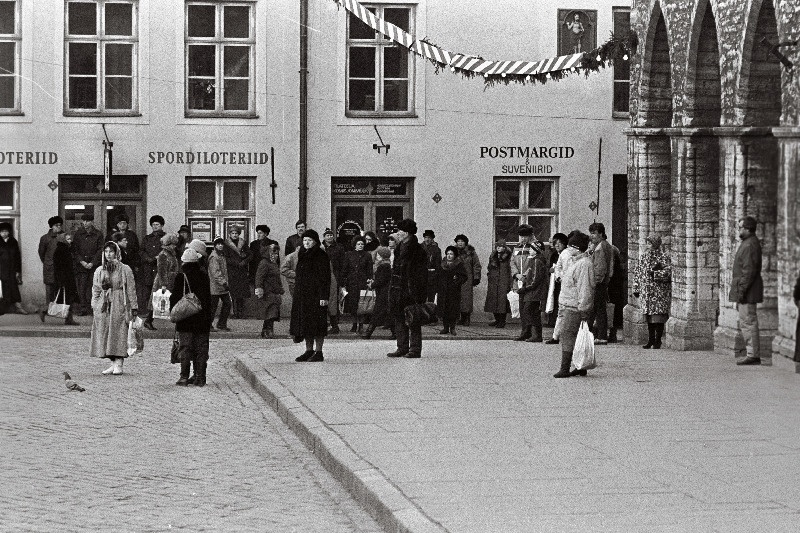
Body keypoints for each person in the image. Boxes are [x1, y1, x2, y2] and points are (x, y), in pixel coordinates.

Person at [90, 241, 137, 376]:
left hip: (119, 302)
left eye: (111, 251)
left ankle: (119, 362)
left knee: (119, 331)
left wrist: (134, 306)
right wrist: (94, 304)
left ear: (116, 253)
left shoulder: (124, 269)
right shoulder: (100, 270)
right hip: (104, 304)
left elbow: (131, 289)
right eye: (106, 252)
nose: (109, 254)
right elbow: (96, 289)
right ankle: (112, 362)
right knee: (105, 332)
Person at [553, 232, 594, 378]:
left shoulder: (583, 264)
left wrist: (583, 309)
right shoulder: (577, 262)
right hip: (569, 304)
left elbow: (585, 288)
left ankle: (565, 368)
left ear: (576, 248)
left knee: (568, 335)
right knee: (575, 337)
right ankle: (580, 366)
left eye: (570, 246)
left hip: (574, 306)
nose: (567, 249)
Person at [170, 248, 213, 386]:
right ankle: (200, 376)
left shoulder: (181, 277)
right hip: (202, 318)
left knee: (185, 347)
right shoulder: (204, 275)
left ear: (183, 262)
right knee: (201, 348)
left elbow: (175, 298)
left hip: (186, 319)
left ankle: (184, 376)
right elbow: (208, 298)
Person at [388, 219, 427, 358]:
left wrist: (420, 293)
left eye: (400, 231)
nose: (397, 233)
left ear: (407, 233)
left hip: (411, 290)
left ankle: (415, 349)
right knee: (399, 319)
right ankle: (402, 347)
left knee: (413, 319)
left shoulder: (418, 250)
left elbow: (422, 274)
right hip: (398, 288)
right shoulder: (399, 248)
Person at [290, 229, 330, 362]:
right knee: (306, 324)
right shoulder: (302, 253)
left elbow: (325, 278)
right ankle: (309, 350)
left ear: (315, 242)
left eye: (310, 240)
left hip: (316, 296)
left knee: (317, 324)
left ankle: (319, 352)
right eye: (305, 240)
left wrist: (324, 296)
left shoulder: (320, 255)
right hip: (303, 296)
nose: (306, 242)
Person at [730, 216, 764, 365]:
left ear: (748, 229)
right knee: (747, 321)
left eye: (741, 227)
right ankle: (752, 353)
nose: (739, 230)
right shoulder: (748, 243)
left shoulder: (749, 245)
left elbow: (748, 272)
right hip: (747, 290)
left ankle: (753, 354)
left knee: (748, 321)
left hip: (748, 291)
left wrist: (742, 291)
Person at [632, 234, 671, 349]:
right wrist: (636, 287)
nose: (648, 246)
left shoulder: (663, 257)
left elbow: (668, 272)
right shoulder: (643, 257)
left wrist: (655, 274)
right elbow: (637, 272)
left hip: (659, 292)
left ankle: (658, 340)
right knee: (649, 318)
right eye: (647, 243)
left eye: (650, 243)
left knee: (658, 317)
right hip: (647, 292)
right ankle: (651, 339)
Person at [511, 225, 546, 342]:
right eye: (521, 236)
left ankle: (533, 333)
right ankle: (525, 331)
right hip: (519, 280)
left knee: (530, 309)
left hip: (528, 281)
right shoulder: (517, 248)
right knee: (522, 309)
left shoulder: (534, 247)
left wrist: (525, 276)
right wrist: (516, 274)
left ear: (530, 236)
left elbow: (532, 266)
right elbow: (512, 263)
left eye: (525, 236)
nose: (523, 239)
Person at [39, 232, 79, 325]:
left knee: (68, 299)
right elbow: (58, 267)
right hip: (64, 280)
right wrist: (61, 280)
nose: (70, 241)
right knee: (62, 300)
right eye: (68, 239)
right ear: (63, 240)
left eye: (70, 239)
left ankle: (69, 319)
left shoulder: (66, 248)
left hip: (68, 278)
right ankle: (44, 311)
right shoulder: (61, 250)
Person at [72, 213, 104, 316]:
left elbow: (100, 250)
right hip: (81, 266)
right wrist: (82, 261)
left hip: (94, 266)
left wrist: (92, 262)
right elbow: (75, 250)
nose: (85, 223)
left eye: (88, 221)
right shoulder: (78, 234)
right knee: (81, 287)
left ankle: (93, 308)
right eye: (84, 221)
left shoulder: (98, 234)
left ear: (92, 222)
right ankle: (83, 308)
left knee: (94, 286)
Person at [340, 235, 373, 333]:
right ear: (354, 245)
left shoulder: (367, 255)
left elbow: (369, 269)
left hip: (363, 282)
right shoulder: (349, 254)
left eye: (362, 244)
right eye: (358, 244)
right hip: (352, 282)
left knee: (362, 303)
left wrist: (369, 280)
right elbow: (345, 269)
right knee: (353, 304)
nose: (360, 246)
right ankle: (354, 324)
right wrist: (343, 282)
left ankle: (361, 325)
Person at [587, 222, 613, 345]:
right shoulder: (601, 246)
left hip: (599, 283)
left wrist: (595, 281)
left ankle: (601, 335)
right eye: (591, 233)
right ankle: (596, 334)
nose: (591, 236)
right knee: (598, 309)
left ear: (601, 234)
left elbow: (600, 267)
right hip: (601, 282)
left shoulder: (601, 247)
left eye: (594, 233)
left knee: (598, 309)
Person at [546, 233, 573, 344]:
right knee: (560, 310)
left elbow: (566, 270)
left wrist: (559, 274)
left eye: (559, 243)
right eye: (555, 243)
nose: (557, 245)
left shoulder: (566, 254)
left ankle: (559, 336)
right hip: (558, 284)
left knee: (564, 311)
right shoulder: (557, 255)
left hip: (566, 286)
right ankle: (556, 335)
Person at [361, 246, 393, 339]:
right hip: (385, 292)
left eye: (378, 254)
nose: (377, 256)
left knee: (377, 313)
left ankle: (368, 332)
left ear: (382, 256)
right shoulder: (386, 265)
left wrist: (372, 284)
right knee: (388, 314)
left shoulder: (383, 266)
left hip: (383, 293)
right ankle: (395, 332)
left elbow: (381, 280)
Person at [139, 215, 165, 330]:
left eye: (157, 225)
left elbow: (166, 251)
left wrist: (157, 258)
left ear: (161, 225)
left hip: (159, 269)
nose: (155, 227)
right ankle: (148, 318)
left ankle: (150, 319)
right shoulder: (147, 238)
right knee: (148, 294)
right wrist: (148, 258)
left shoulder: (165, 237)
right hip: (148, 269)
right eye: (153, 225)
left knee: (158, 295)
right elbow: (141, 251)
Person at [255, 242, 284, 338]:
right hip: (267, 291)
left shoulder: (273, 263)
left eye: (277, 253)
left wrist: (280, 288)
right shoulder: (264, 263)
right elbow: (259, 277)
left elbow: (277, 277)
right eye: (274, 253)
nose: (276, 255)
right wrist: (259, 288)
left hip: (274, 291)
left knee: (272, 312)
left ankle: (266, 330)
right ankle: (268, 331)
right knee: (270, 312)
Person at [438, 245, 468, 335]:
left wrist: (457, 281)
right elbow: (437, 276)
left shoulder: (458, 264)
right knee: (444, 309)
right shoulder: (442, 264)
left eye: (451, 254)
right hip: (443, 290)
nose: (449, 256)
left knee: (453, 309)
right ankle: (445, 327)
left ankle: (452, 328)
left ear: (454, 255)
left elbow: (464, 276)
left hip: (453, 290)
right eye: (448, 254)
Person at [151, 232, 180, 324]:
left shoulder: (170, 253)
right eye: (173, 244)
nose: (174, 246)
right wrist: (163, 284)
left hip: (170, 279)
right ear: (168, 244)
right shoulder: (163, 254)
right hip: (164, 280)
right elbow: (161, 270)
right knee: (158, 299)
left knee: (161, 300)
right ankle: (149, 320)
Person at [0, 222, 27, 314]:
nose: (4, 233)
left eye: (6, 231)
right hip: (1, 270)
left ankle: (18, 308)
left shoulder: (13, 241)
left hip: (11, 269)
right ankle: (3, 309)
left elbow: (17, 257)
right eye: (2, 231)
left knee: (14, 288)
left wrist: (18, 271)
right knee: (2, 289)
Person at [223, 227, 250, 318]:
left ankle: (240, 312)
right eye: (233, 233)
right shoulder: (226, 244)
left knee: (241, 294)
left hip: (241, 271)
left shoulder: (243, 243)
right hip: (231, 271)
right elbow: (225, 258)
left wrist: (244, 261)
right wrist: (236, 262)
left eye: (236, 233)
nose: (235, 235)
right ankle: (233, 312)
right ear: (229, 234)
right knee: (233, 294)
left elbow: (250, 254)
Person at [484, 239, 512, 328]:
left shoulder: (508, 257)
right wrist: (490, 276)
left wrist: (509, 282)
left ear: (505, 247)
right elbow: (489, 267)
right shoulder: (493, 256)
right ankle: (497, 319)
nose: (499, 248)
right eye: (498, 247)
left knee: (502, 302)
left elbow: (510, 270)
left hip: (503, 281)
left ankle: (502, 321)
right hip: (493, 281)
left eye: (501, 246)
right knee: (493, 301)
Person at [321, 228, 345, 334]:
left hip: (334, 276)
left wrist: (341, 277)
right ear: (324, 237)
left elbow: (342, 262)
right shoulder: (321, 248)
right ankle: (324, 324)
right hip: (322, 276)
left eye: (331, 235)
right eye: (327, 235)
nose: (330, 237)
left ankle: (334, 325)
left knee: (333, 302)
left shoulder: (339, 247)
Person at [454, 234, 481, 326]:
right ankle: (460, 317)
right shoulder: (453, 252)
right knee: (457, 299)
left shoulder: (471, 253)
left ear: (465, 243)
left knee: (466, 299)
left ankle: (467, 318)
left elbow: (476, 265)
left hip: (467, 278)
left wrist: (476, 277)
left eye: (462, 241)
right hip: (456, 278)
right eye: (458, 241)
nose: (460, 243)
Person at [39, 215, 64, 307]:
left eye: (60, 225)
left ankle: (60, 311)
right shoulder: (45, 238)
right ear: (52, 226)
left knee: (61, 292)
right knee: (50, 292)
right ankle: (47, 309)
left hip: (61, 269)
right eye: (57, 225)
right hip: (50, 269)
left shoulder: (64, 236)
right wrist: (48, 262)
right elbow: (42, 253)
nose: (59, 227)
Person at [208, 237, 232, 331]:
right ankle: (209, 325)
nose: (220, 245)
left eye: (222, 244)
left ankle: (221, 324)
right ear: (215, 245)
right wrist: (224, 283)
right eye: (218, 244)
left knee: (227, 304)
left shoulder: (221, 255)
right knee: (213, 307)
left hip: (222, 286)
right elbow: (216, 273)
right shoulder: (214, 257)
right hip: (216, 286)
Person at [608, 243, 626, 343]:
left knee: (611, 311)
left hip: (612, 287)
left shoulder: (611, 252)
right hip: (616, 288)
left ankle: (612, 333)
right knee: (613, 311)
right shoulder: (614, 252)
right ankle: (612, 333)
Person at [422, 229, 441, 314]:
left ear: (432, 239)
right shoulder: (420, 247)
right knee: (421, 297)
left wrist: (436, 275)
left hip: (431, 276)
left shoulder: (436, 249)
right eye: (425, 237)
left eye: (429, 237)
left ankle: (430, 315)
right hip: (421, 275)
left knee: (431, 297)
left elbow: (438, 264)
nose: (427, 239)